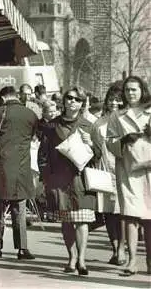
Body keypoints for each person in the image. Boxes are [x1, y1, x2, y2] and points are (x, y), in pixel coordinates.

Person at [39, 86, 96, 275]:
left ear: (82, 104)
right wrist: (45, 177)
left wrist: (91, 144)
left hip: (81, 179)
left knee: (82, 220)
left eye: (77, 99)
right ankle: (71, 258)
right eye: (69, 98)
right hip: (60, 179)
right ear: (63, 101)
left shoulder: (89, 125)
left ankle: (82, 259)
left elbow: (99, 155)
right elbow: (43, 154)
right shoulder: (51, 126)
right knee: (66, 221)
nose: (72, 101)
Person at [0, 86, 37, 260]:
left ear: (3, 97)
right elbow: (34, 135)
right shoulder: (30, 114)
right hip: (21, 166)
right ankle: (22, 248)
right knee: (19, 208)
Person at [106, 76, 151, 276]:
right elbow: (109, 141)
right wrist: (123, 140)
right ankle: (132, 261)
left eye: (134, 89)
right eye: (127, 91)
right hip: (129, 169)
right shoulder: (117, 116)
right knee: (130, 216)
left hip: (149, 170)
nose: (130, 93)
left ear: (142, 90)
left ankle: (150, 262)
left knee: (149, 218)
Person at [91, 82, 126, 266]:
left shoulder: (129, 121)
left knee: (122, 213)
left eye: (118, 100)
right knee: (109, 214)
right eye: (111, 99)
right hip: (104, 172)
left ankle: (122, 248)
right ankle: (114, 248)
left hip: (125, 171)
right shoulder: (99, 123)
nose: (114, 103)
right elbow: (96, 148)